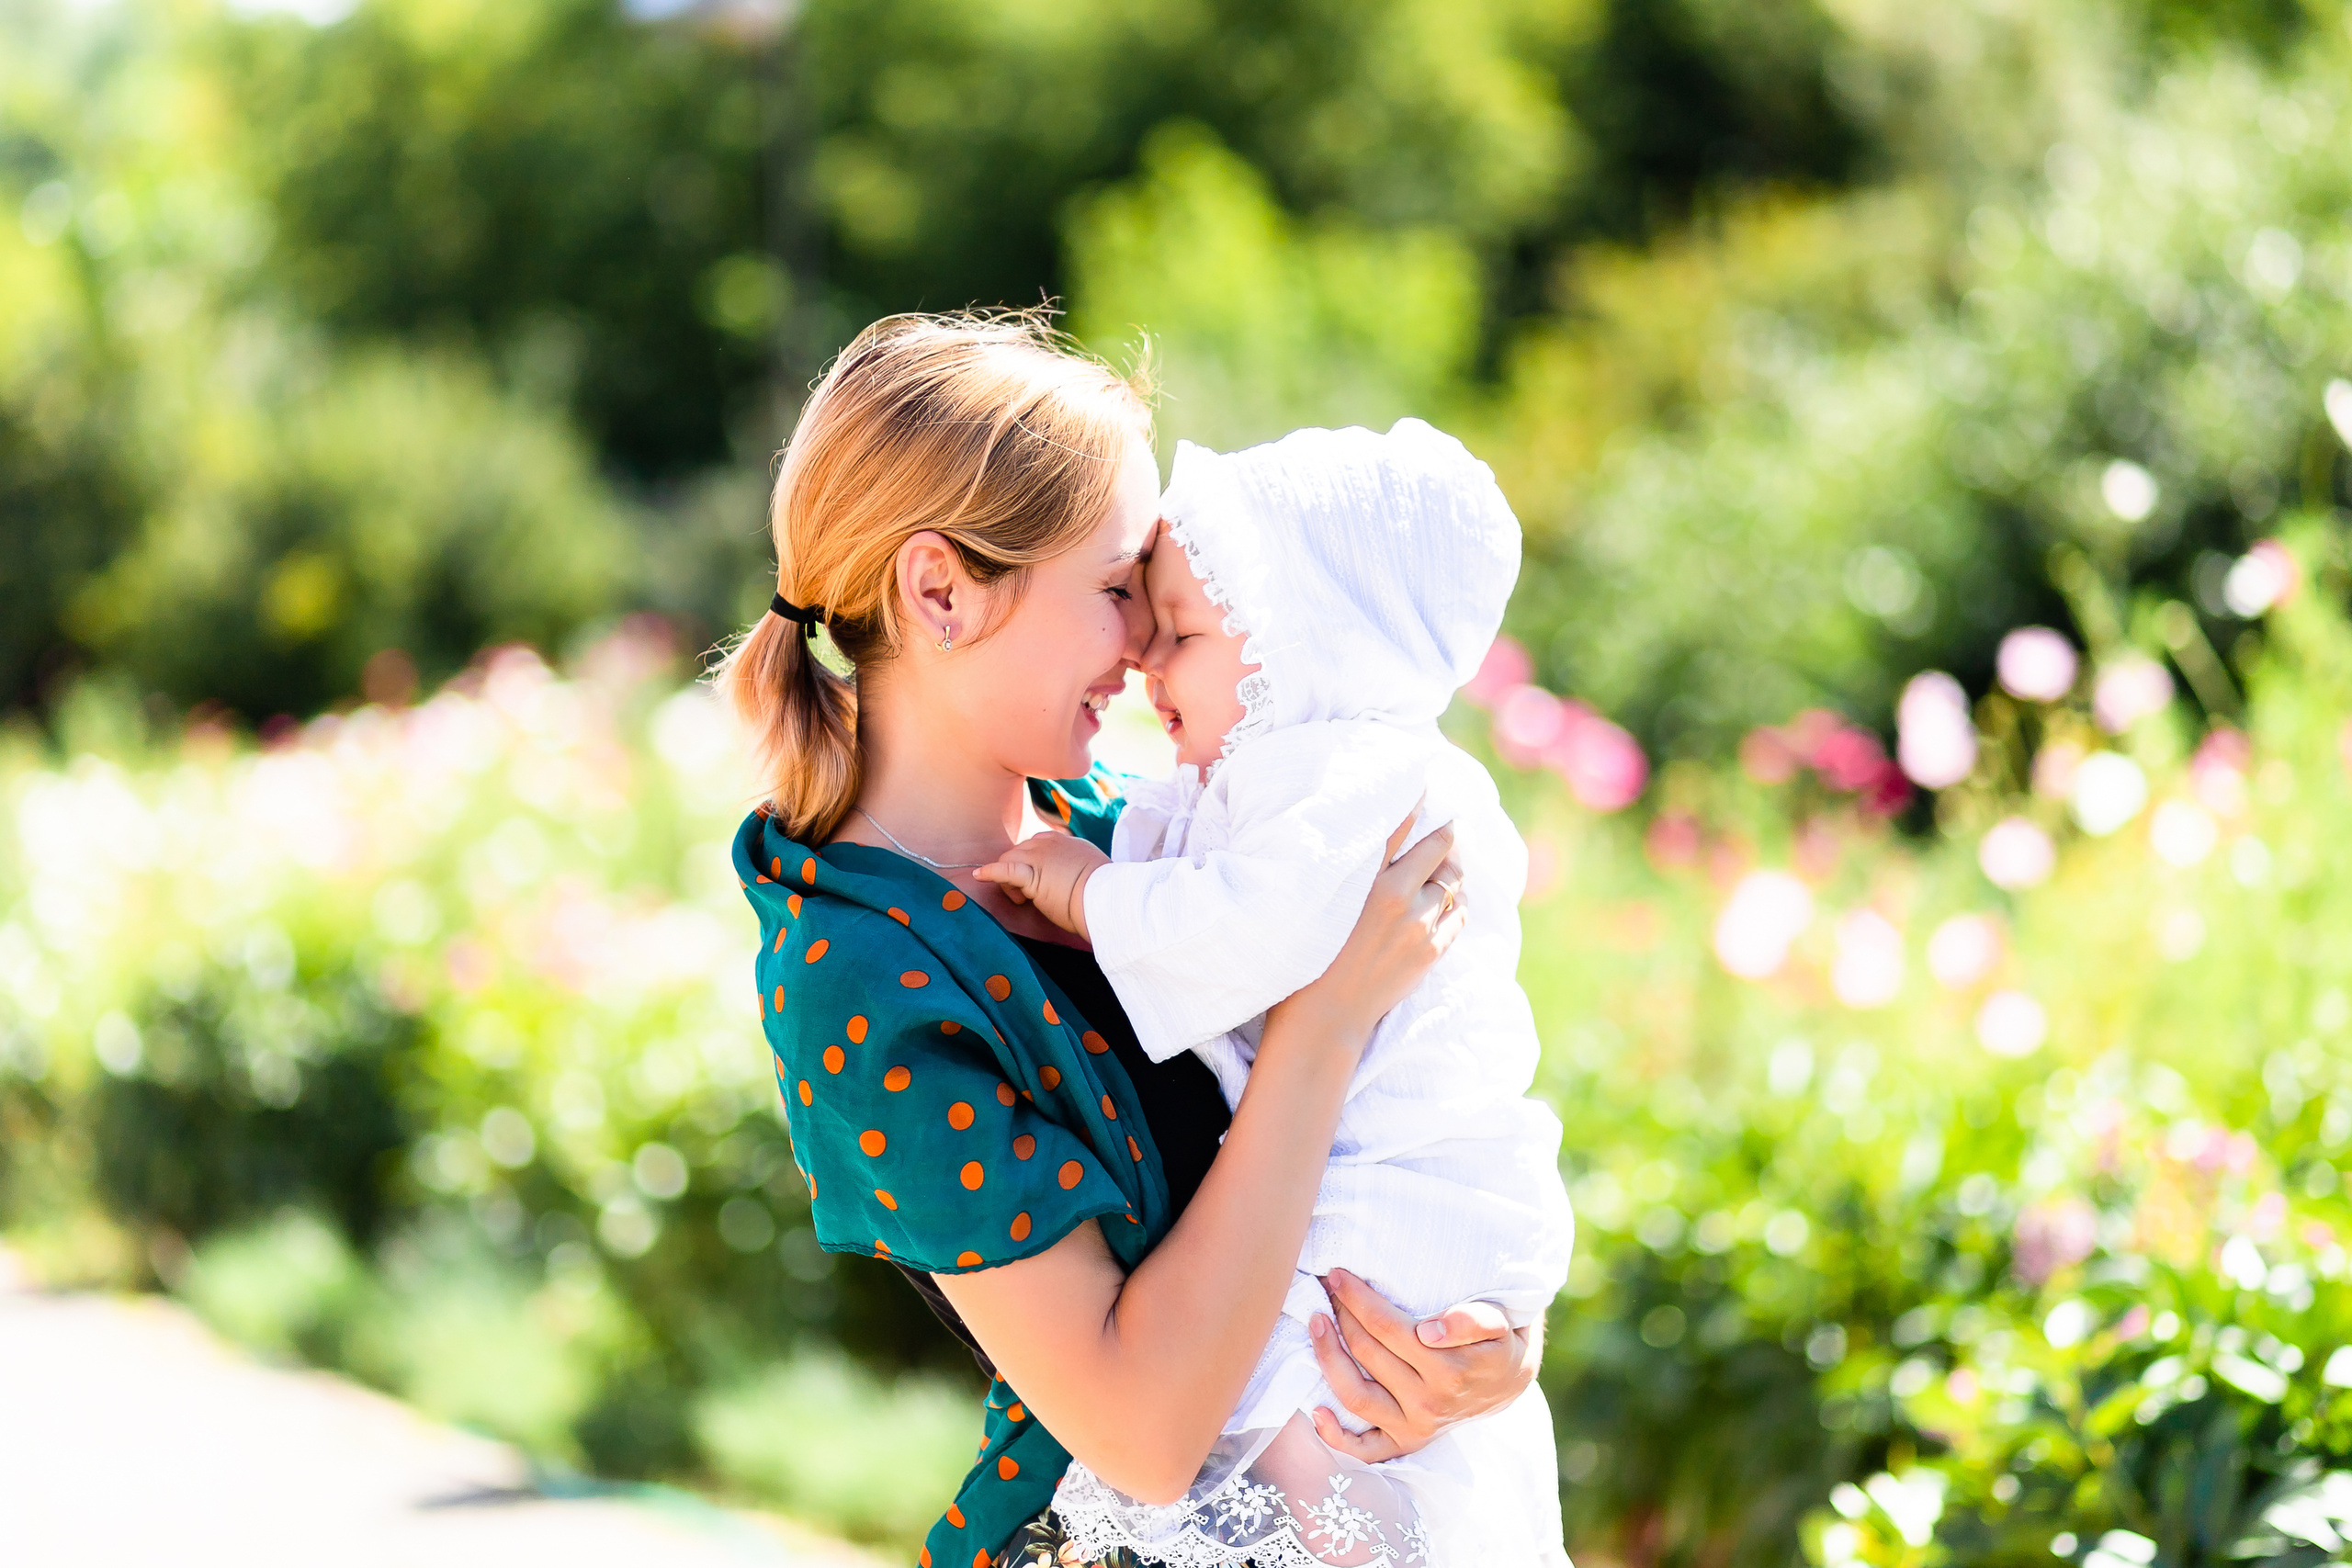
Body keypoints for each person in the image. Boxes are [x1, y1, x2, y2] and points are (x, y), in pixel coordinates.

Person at [719, 312, 1545, 1568]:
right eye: (1117, 589)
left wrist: (1473, 1342)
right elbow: (1148, 1436)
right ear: (939, 590)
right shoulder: (861, 976)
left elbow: (1421, 1111)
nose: (1151, 641)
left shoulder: (1123, 834)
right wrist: (1318, 1026)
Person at [978, 420, 1573, 1567]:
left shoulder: (1345, 774)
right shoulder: (1279, 777)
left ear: (1319, 651)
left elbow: (1241, 932)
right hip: (1358, 1200)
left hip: (1385, 1199)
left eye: (1190, 631)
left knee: (1327, 1430)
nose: (1148, 657)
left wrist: (1092, 893)